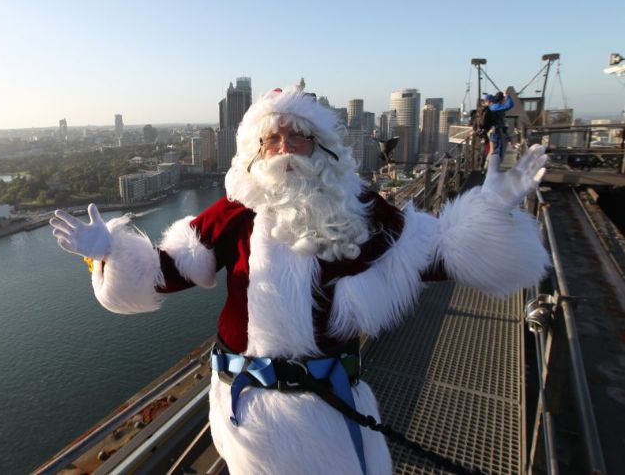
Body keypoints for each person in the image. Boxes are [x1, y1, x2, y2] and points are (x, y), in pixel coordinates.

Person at [50, 83, 550, 474]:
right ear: (257, 150)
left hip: (328, 411)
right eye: (271, 139)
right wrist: (109, 253)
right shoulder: (236, 212)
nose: (284, 148)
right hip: (246, 411)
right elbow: (169, 269)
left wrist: (491, 209)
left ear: (321, 145)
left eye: (297, 135)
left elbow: (435, 254)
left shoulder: (358, 209)